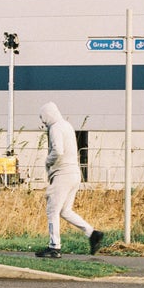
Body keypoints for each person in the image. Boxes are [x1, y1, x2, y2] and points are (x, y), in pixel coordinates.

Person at [36, 101, 103, 258]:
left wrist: (48, 162)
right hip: (74, 173)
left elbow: (58, 151)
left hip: (62, 175)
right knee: (65, 210)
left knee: (52, 210)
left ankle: (54, 247)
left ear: (48, 114)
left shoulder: (55, 128)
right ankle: (92, 233)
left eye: (43, 117)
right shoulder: (67, 125)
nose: (43, 121)